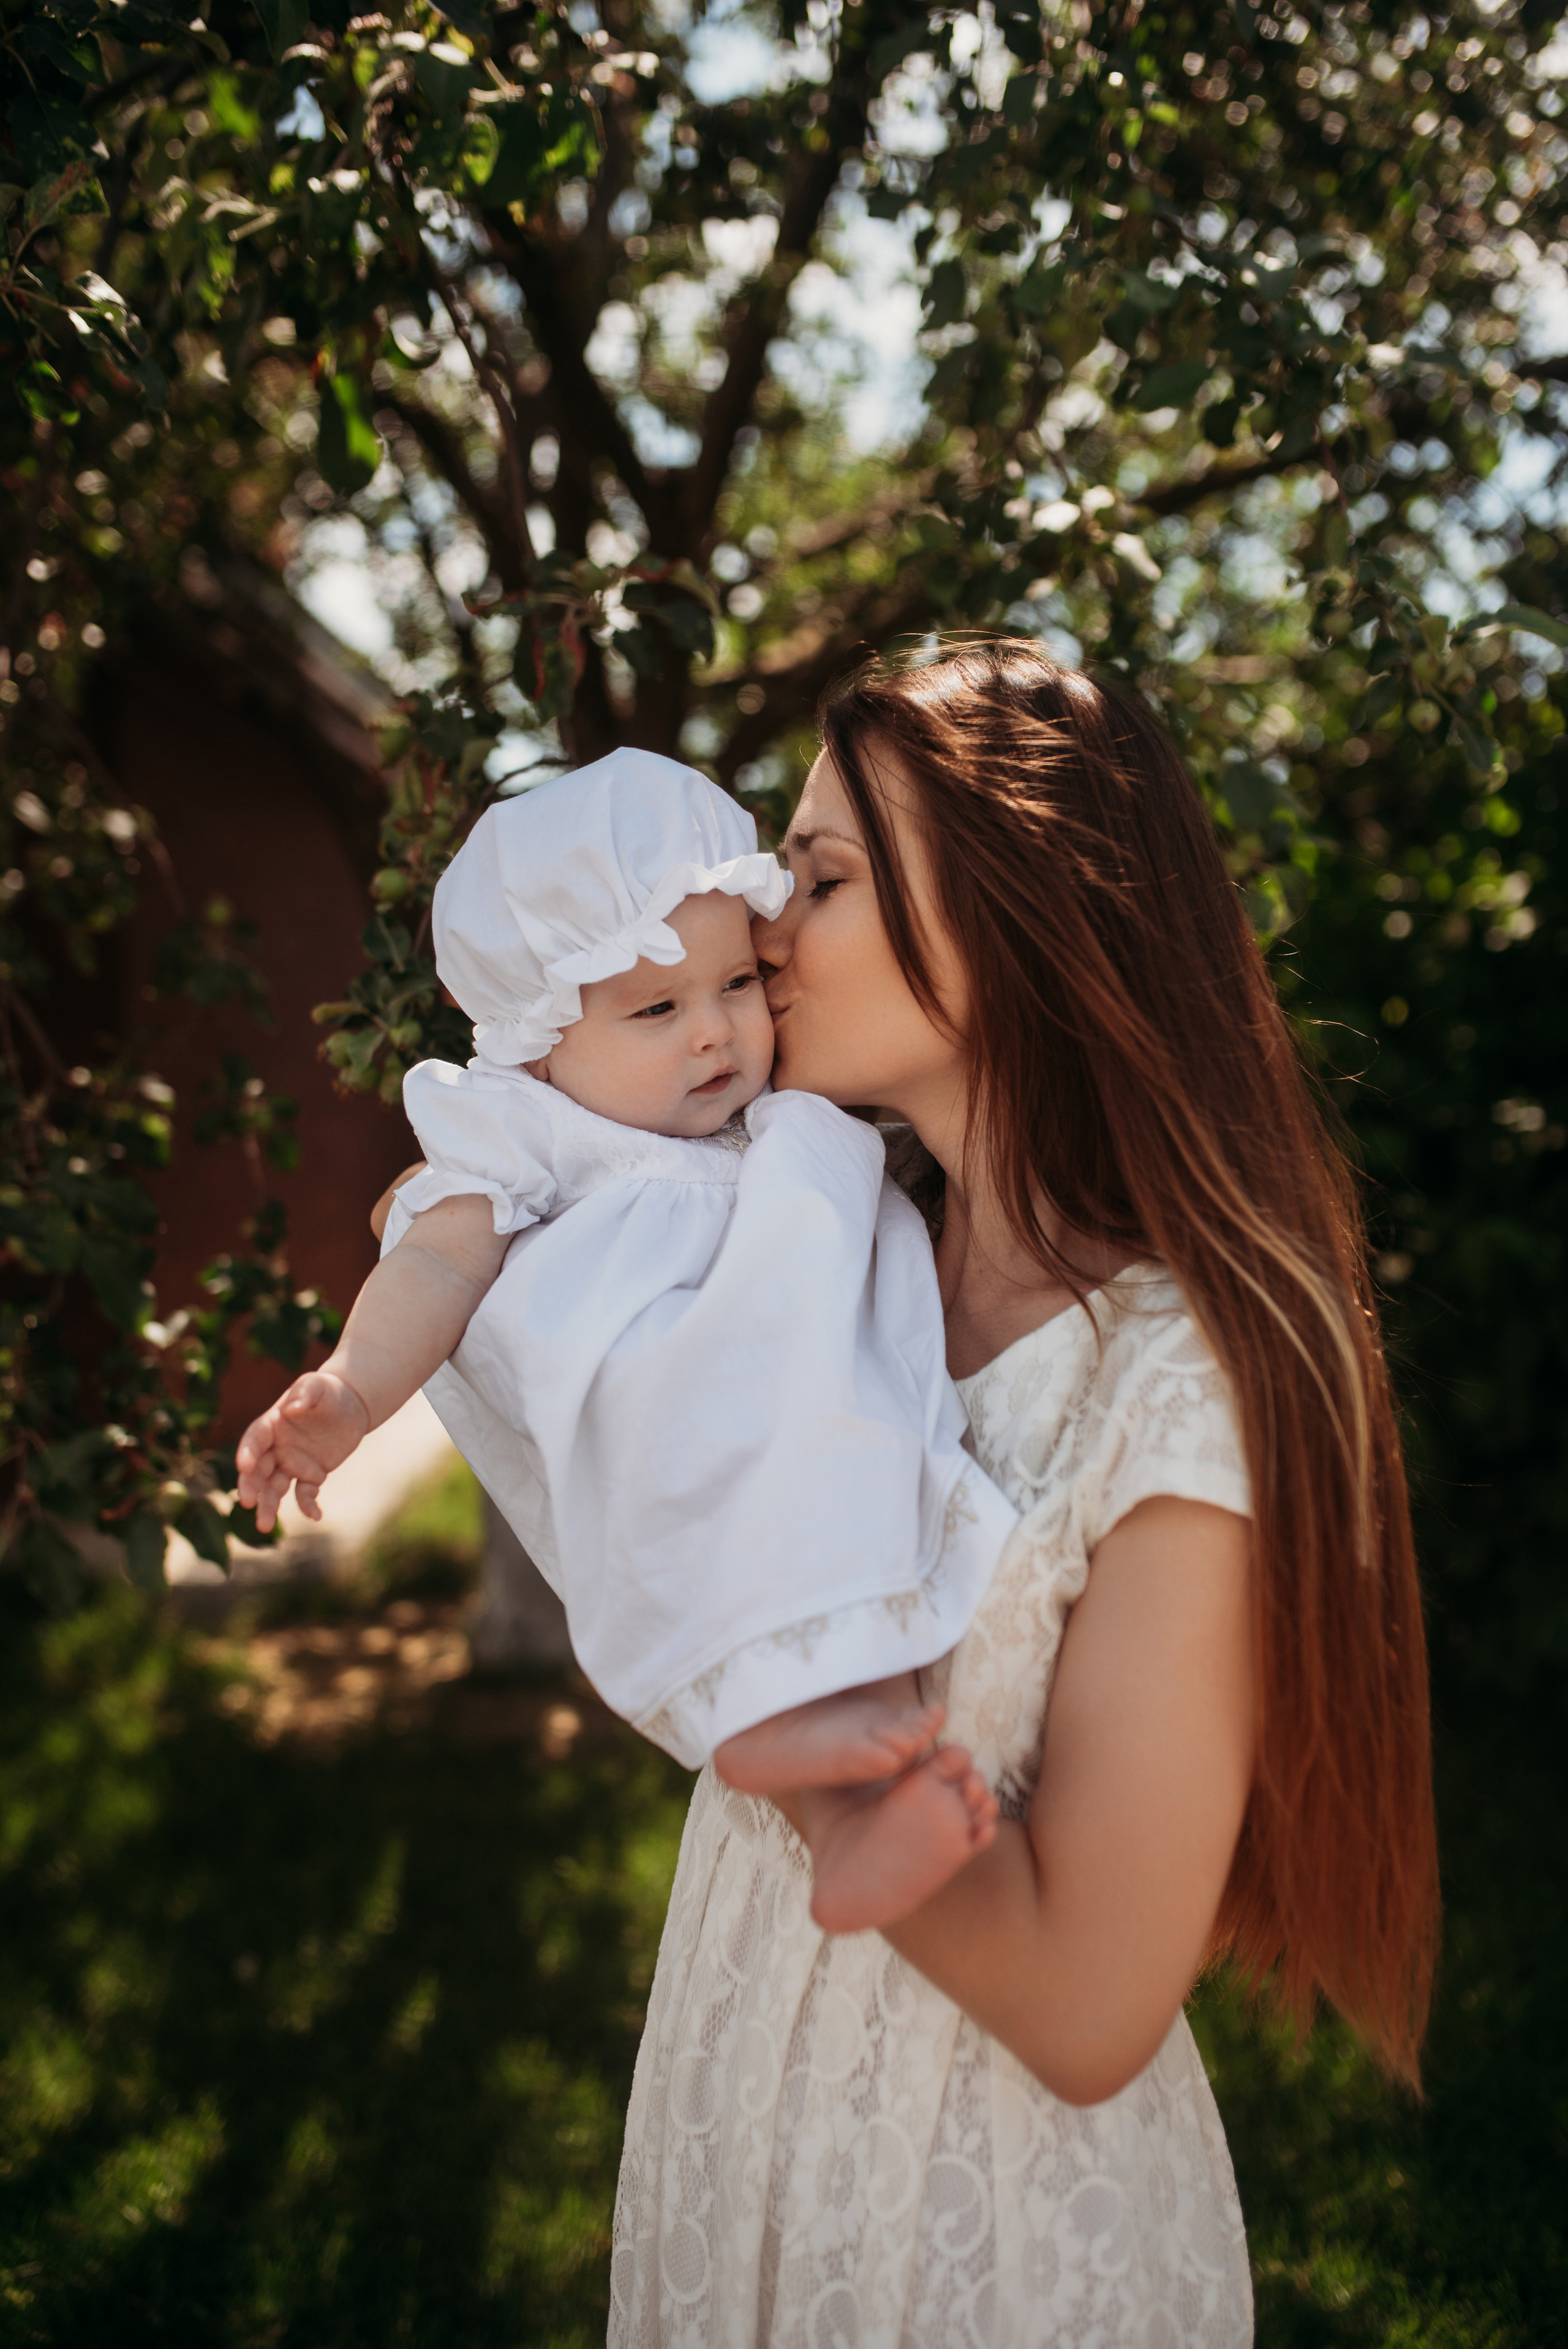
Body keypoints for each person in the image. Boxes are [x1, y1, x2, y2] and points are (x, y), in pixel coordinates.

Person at [606, 642, 1439, 2346]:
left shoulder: (1176, 1389)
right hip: (739, 2100)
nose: (766, 925)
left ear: (1021, 911)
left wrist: (805, 1750)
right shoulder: (831, 1266)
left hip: (967, 2217)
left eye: (824, 877)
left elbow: (1085, 2002)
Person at [236, 750, 1018, 1934]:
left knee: (871, 1531)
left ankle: (867, 1798)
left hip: (826, 1411)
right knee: (756, 1565)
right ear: (543, 1038)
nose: (714, 1034)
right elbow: (438, 1262)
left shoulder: (779, 1124)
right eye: (656, 1009)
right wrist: (350, 1388)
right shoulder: (531, 1132)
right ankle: (825, 1786)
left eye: (737, 987)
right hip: (684, 1431)